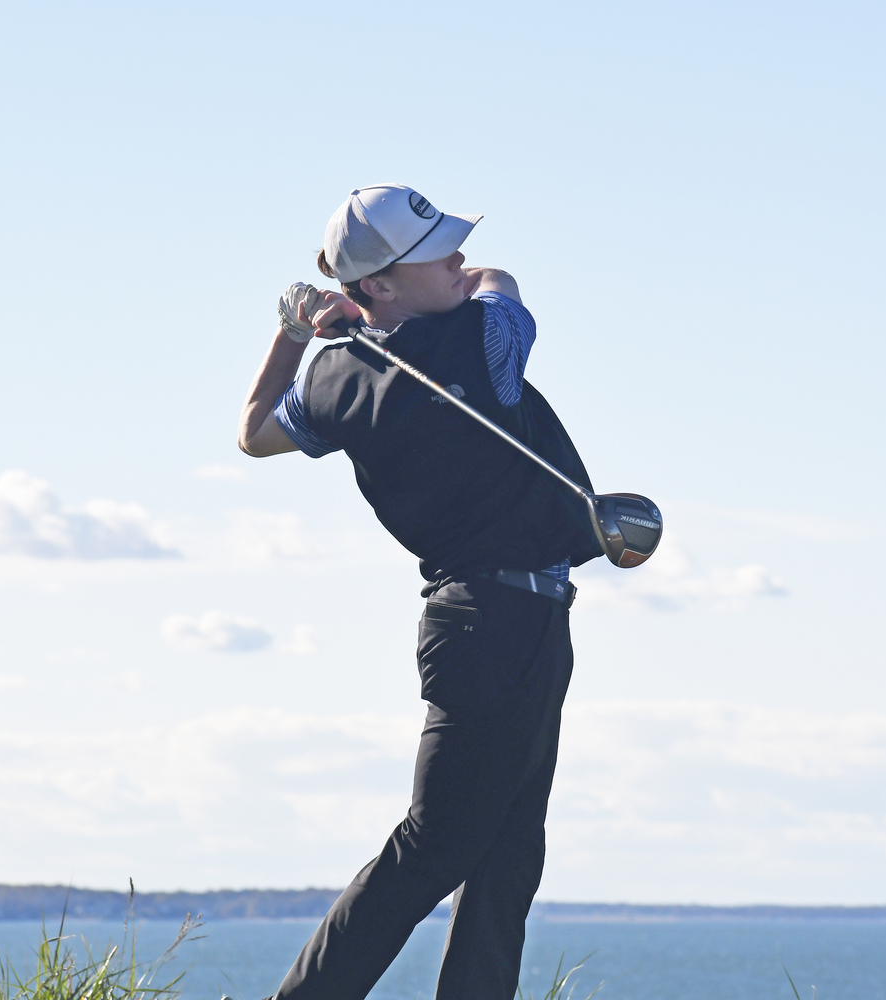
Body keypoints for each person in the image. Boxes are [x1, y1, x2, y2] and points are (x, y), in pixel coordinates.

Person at [236, 184, 604, 1000]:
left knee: (509, 854)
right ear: (383, 282)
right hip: (495, 623)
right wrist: (363, 315)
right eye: (438, 252)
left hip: (505, 620)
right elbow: (497, 281)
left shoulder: (335, 380)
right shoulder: (486, 339)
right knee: (436, 844)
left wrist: (299, 332)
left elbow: (254, 431)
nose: (461, 259)